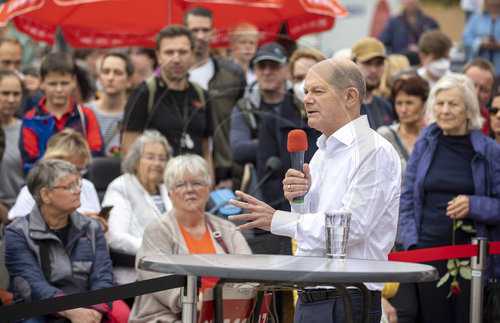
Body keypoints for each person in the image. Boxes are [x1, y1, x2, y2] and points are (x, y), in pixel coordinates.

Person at [229, 57, 401, 322]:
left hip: (347, 297)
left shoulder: (373, 151)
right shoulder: (321, 152)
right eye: (306, 91)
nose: (306, 99)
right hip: (310, 294)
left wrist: (278, 220)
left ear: (350, 96)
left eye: (318, 91)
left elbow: (352, 228)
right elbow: (313, 231)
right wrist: (300, 200)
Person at [399, 74, 500, 323]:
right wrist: (413, 246)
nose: (444, 110)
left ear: (469, 110)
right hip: (427, 254)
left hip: (473, 256)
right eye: (440, 103)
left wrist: (474, 205)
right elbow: (408, 200)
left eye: (453, 104)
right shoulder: (424, 145)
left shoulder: (489, 150)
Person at [129, 154, 251, 322]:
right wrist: (208, 305)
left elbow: (251, 274)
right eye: (180, 184)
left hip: (227, 316)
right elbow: (160, 283)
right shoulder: (157, 230)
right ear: (170, 195)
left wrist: (236, 304)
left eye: (196, 183)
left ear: (209, 190)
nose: (189, 189)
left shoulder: (227, 229)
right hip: (168, 318)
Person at [4, 159, 114, 322]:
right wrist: (71, 312)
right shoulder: (17, 233)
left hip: (87, 307)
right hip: (38, 310)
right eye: (70, 186)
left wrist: (95, 310)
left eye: (78, 184)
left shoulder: (92, 227)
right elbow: (33, 286)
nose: (77, 191)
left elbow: (103, 276)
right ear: (46, 195)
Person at [377, 75, 429, 323]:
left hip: (428, 226)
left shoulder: (433, 137)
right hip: (395, 232)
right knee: (406, 307)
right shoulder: (384, 135)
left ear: (423, 103)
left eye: (410, 102)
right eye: (399, 103)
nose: (404, 109)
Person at [121, 25, 213, 165]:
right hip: (156, 182)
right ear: (159, 56)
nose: (176, 59)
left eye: (182, 52)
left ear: (193, 54)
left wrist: (209, 184)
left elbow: (206, 152)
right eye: (169, 52)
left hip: (193, 181)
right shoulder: (144, 93)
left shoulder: (201, 95)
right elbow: (129, 151)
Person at [184, 7, 246, 189]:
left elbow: (241, 121)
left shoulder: (232, 75)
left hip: (224, 172)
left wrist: (227, 171)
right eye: (195, 30)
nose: (200, 36)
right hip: (183, 169)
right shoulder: (174, 77)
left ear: (213, 33)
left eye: (205, 30)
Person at [103, 130, 173, 285]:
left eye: (162, 158)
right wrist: (159, 250)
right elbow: (115, 237)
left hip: (172, 269)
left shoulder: (168, 189)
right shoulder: (120, 187)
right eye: (150, 157)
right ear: (135, 161)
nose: (157, 163)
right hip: (136, 275)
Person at [19, 51, 104, 173]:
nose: (59, 89)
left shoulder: (85, 115)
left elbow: (96, 154)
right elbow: (29, 161)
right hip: (44, 184)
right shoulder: (32, 118)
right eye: (52, 84)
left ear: (74, 81)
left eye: (64, 83)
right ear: (41, 83)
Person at [229, 42, 289, 191]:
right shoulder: (244, 107)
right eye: (262, 66)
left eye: (274, 66)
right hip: (258, 189)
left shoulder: (301, 104)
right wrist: (286, 141)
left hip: (298, 187)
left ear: (287, 69)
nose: (267, 72)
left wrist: (259, 142)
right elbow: (238, 150)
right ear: (255, 70)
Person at [9, 128, 101, 222]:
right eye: (73, 170)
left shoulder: (87, 186)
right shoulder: (30, 191)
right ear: (53, 162)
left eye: (81, 170)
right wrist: (77, 220)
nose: (79, 177)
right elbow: (18, 228)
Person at [88, 51, 134, 155]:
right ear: (99, 77)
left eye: (118, 73)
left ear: (129, 81)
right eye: (106, 72)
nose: (110, 78)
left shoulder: (135, 114)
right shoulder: (83, 112)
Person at [351, 37, 396, 130]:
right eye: (367, 63)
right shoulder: (342, 106)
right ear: (353, 63)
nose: (373, 70)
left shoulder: (386, 106)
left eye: (379, 64)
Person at [0, 70, 24, 226]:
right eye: (5, 93)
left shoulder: (26, 128)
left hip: (22, 212)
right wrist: (6, 216)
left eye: (16, 94)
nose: (11, 99)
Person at [0, 37, 41, 115]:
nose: (12, 69)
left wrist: (35, 95)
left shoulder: (26, 89)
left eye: (17, 63)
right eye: (6, 63)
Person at [463, 0, 500, 75]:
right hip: (478, 70)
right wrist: (480, 43)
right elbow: (465, 39)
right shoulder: (475, 18)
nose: (494, 2)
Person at [461, 58, 495, 135]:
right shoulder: (441, 117)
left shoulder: (494, 124)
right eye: (471, 85)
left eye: (484, 90)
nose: (476, 94)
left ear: (490, 96)